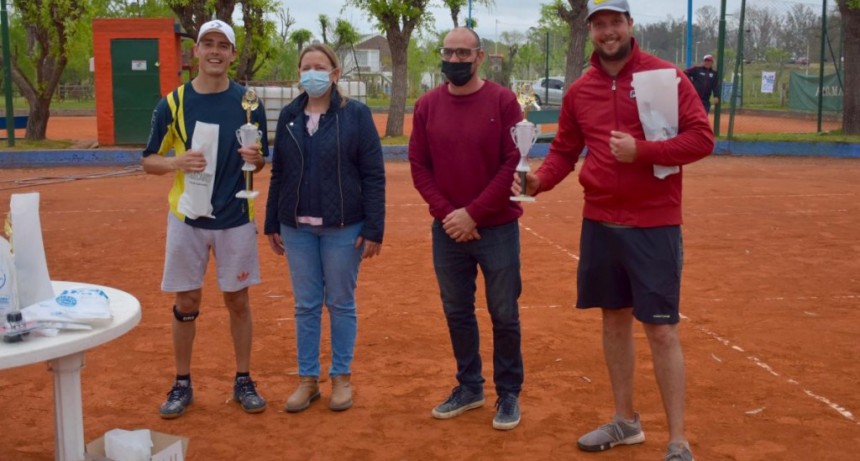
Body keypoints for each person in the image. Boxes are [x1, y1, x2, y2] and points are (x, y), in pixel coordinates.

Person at [513, 0, 713, 459]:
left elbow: (702, 139)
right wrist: (539, 181)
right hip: (600, 221)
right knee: (614, 321)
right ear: (591, 32)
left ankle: (678, 440)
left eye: (614, 22)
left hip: (654, 223)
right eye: (599, 24)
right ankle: (625, 421)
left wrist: (641, 152)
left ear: (629, 26)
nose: (607, 31)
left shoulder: (666, 77)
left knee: (661, 330)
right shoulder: (580, 90)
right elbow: (565, 150)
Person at [142, 19, 269, 419]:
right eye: (207, 44)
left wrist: (259, 160)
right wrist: (175, 162)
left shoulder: (249, 101)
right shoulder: (173, 103)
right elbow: (148, 160)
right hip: (187, 219)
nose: (215, 51)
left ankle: (244, 379)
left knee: (237, 299)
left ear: (232, 54)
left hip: (235, 218)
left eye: (223, 45)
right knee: (187, 299)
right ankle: (182, 383)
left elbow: (260, 159)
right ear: (196, 51)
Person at [409, 27, 525, 431]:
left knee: (504, 313)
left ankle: (508, 393)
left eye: (463, 53)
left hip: (496, 228)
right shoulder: (426, 105)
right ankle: (470, 386)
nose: (455, 60)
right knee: (457, 312)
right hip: (448, 230)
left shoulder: (503, 101)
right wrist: (449, 215)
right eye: (448, 52)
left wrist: (473, 213)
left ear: (479, 58)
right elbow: (419, 167)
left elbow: (513, 163)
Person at [264, 43, 385, 413]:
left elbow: (373, 175)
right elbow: (279, 173)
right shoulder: (288, 116)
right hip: (296, 227)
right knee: (305, 306)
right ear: (299, 74)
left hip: (344, 227)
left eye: (319, 66)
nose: (311, 73)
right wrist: (272, 221)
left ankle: (342, 379)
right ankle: (307, 381)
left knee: (341, 303)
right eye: (305, 67)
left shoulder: (357, 116)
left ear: (334, 74)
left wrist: (375, 227)